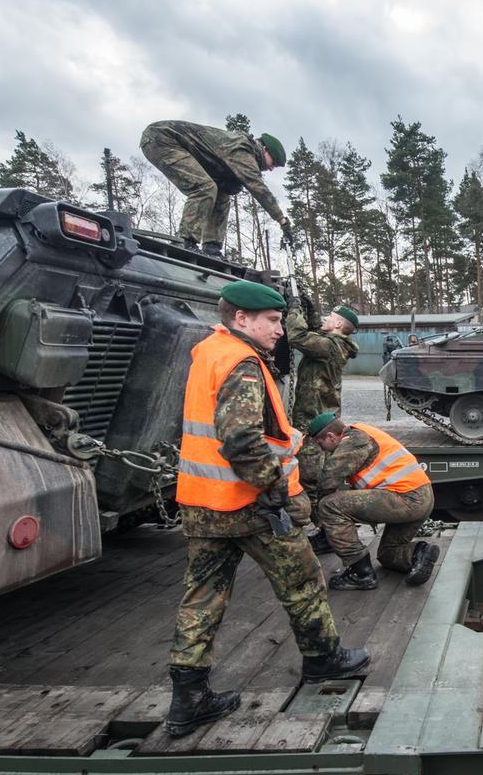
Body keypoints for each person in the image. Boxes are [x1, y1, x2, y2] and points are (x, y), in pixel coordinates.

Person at [166, 280, 367, 737]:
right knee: (302, 582)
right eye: (272, 321)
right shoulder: (243, 363)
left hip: (202, 503)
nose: (279, 330)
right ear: (242, 318)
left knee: (201, 597)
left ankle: (188, 698)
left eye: (281, 320)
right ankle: (323, 660)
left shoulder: (208, 353)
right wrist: (274, 486)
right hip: (250, 504)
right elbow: (241, 439)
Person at [300, 413, 440, 590]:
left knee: (328, 506)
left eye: (321, 444)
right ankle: (418, 553)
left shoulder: (354, 440)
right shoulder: (360, 432)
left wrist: (318, 516)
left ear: (330, 436)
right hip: (421, 497)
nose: (324, 450)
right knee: (387, 554)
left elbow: (328, 478)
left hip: (406, 499)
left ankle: (361, 572)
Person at [139, 119, 291, 258]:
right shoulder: (243, 149)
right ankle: (186, 240)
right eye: (274, 164)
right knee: (204, 187)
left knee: (221, 193)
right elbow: (258, 187)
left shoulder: (244, 151)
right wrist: (281, 220)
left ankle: (212, 246)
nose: (271, 169)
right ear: (264, 149)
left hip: (168, 142)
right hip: (162, 139)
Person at [284, 286, 360, 433]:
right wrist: (309, 307)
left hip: (315, 422)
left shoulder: (331, 346)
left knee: (311, 455)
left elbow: (296, 336)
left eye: (330, 316)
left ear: (338, 324)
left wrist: (294, 308)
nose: (325, 318)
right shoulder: (334, 342)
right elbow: (317, 327)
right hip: (317, 418)